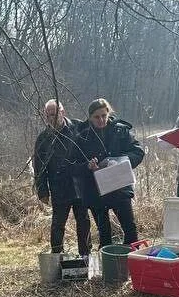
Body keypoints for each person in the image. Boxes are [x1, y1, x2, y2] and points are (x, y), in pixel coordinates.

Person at [69, 98, 146, 249]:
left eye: (104, 115)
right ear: (90, 117)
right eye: (96, 117)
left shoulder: (120, 130)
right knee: (104, 234)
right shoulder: (82, 137)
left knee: (130, 230)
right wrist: (87, 166)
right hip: (95, 191)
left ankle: (132, 265)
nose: (101, 120)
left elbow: (138, 151)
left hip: (120, 186)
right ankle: (109, 266)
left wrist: (122, 161)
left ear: (108, 113)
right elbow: (71, 166)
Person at [33, 99, 91, 256]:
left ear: (63, 112)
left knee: (83, 223)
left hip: (80, 184)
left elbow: (93, 142)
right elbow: (39, 168)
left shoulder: (78, 127)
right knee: (58, 225)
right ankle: (57, 256)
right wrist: (42, 191)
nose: (52, 118)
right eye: (49, 115)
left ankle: (86, 256)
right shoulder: (43, 139)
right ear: (46, 116)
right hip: (58, 187)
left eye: (55, 114)